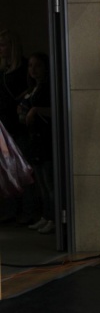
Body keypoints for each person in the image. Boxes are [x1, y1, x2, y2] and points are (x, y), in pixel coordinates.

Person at [19, 53, 56, 235]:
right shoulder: (32, 88)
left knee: (50, 184)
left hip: (46, 139)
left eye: (37, 66)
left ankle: (54, 218)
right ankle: (46, 215)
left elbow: (56, 110)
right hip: (34, 139)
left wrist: (35, 110)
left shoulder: (49, 88)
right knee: (41, 182)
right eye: (30, 66)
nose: (33, 70)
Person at [0, 28, 33, 224]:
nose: (1, 49)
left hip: (18, 125)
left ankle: (28, 211)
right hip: (4, 126)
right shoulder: (3, 70)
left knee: (23, 169)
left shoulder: (23, 70)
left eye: (3, 45)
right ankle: (11, 210)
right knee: (7, 170)